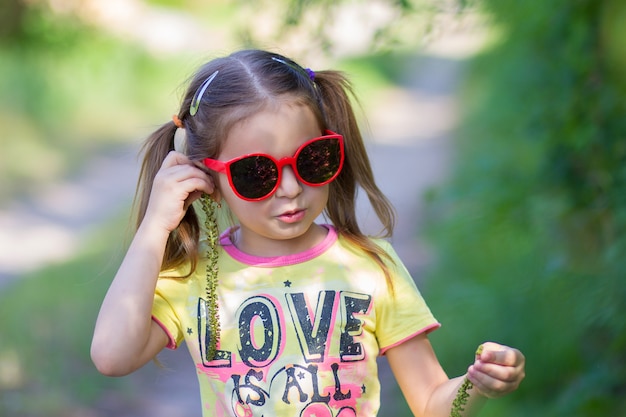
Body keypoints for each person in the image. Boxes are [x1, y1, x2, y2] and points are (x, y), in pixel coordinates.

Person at [91, 49, 525, 417]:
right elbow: (112, 356)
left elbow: (431, 400)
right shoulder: (194, 275)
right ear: (209, 178)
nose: (292, 188)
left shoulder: (370, 267)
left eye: (311, 159)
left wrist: (476, 386)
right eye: (257, 173)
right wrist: (154, 226)